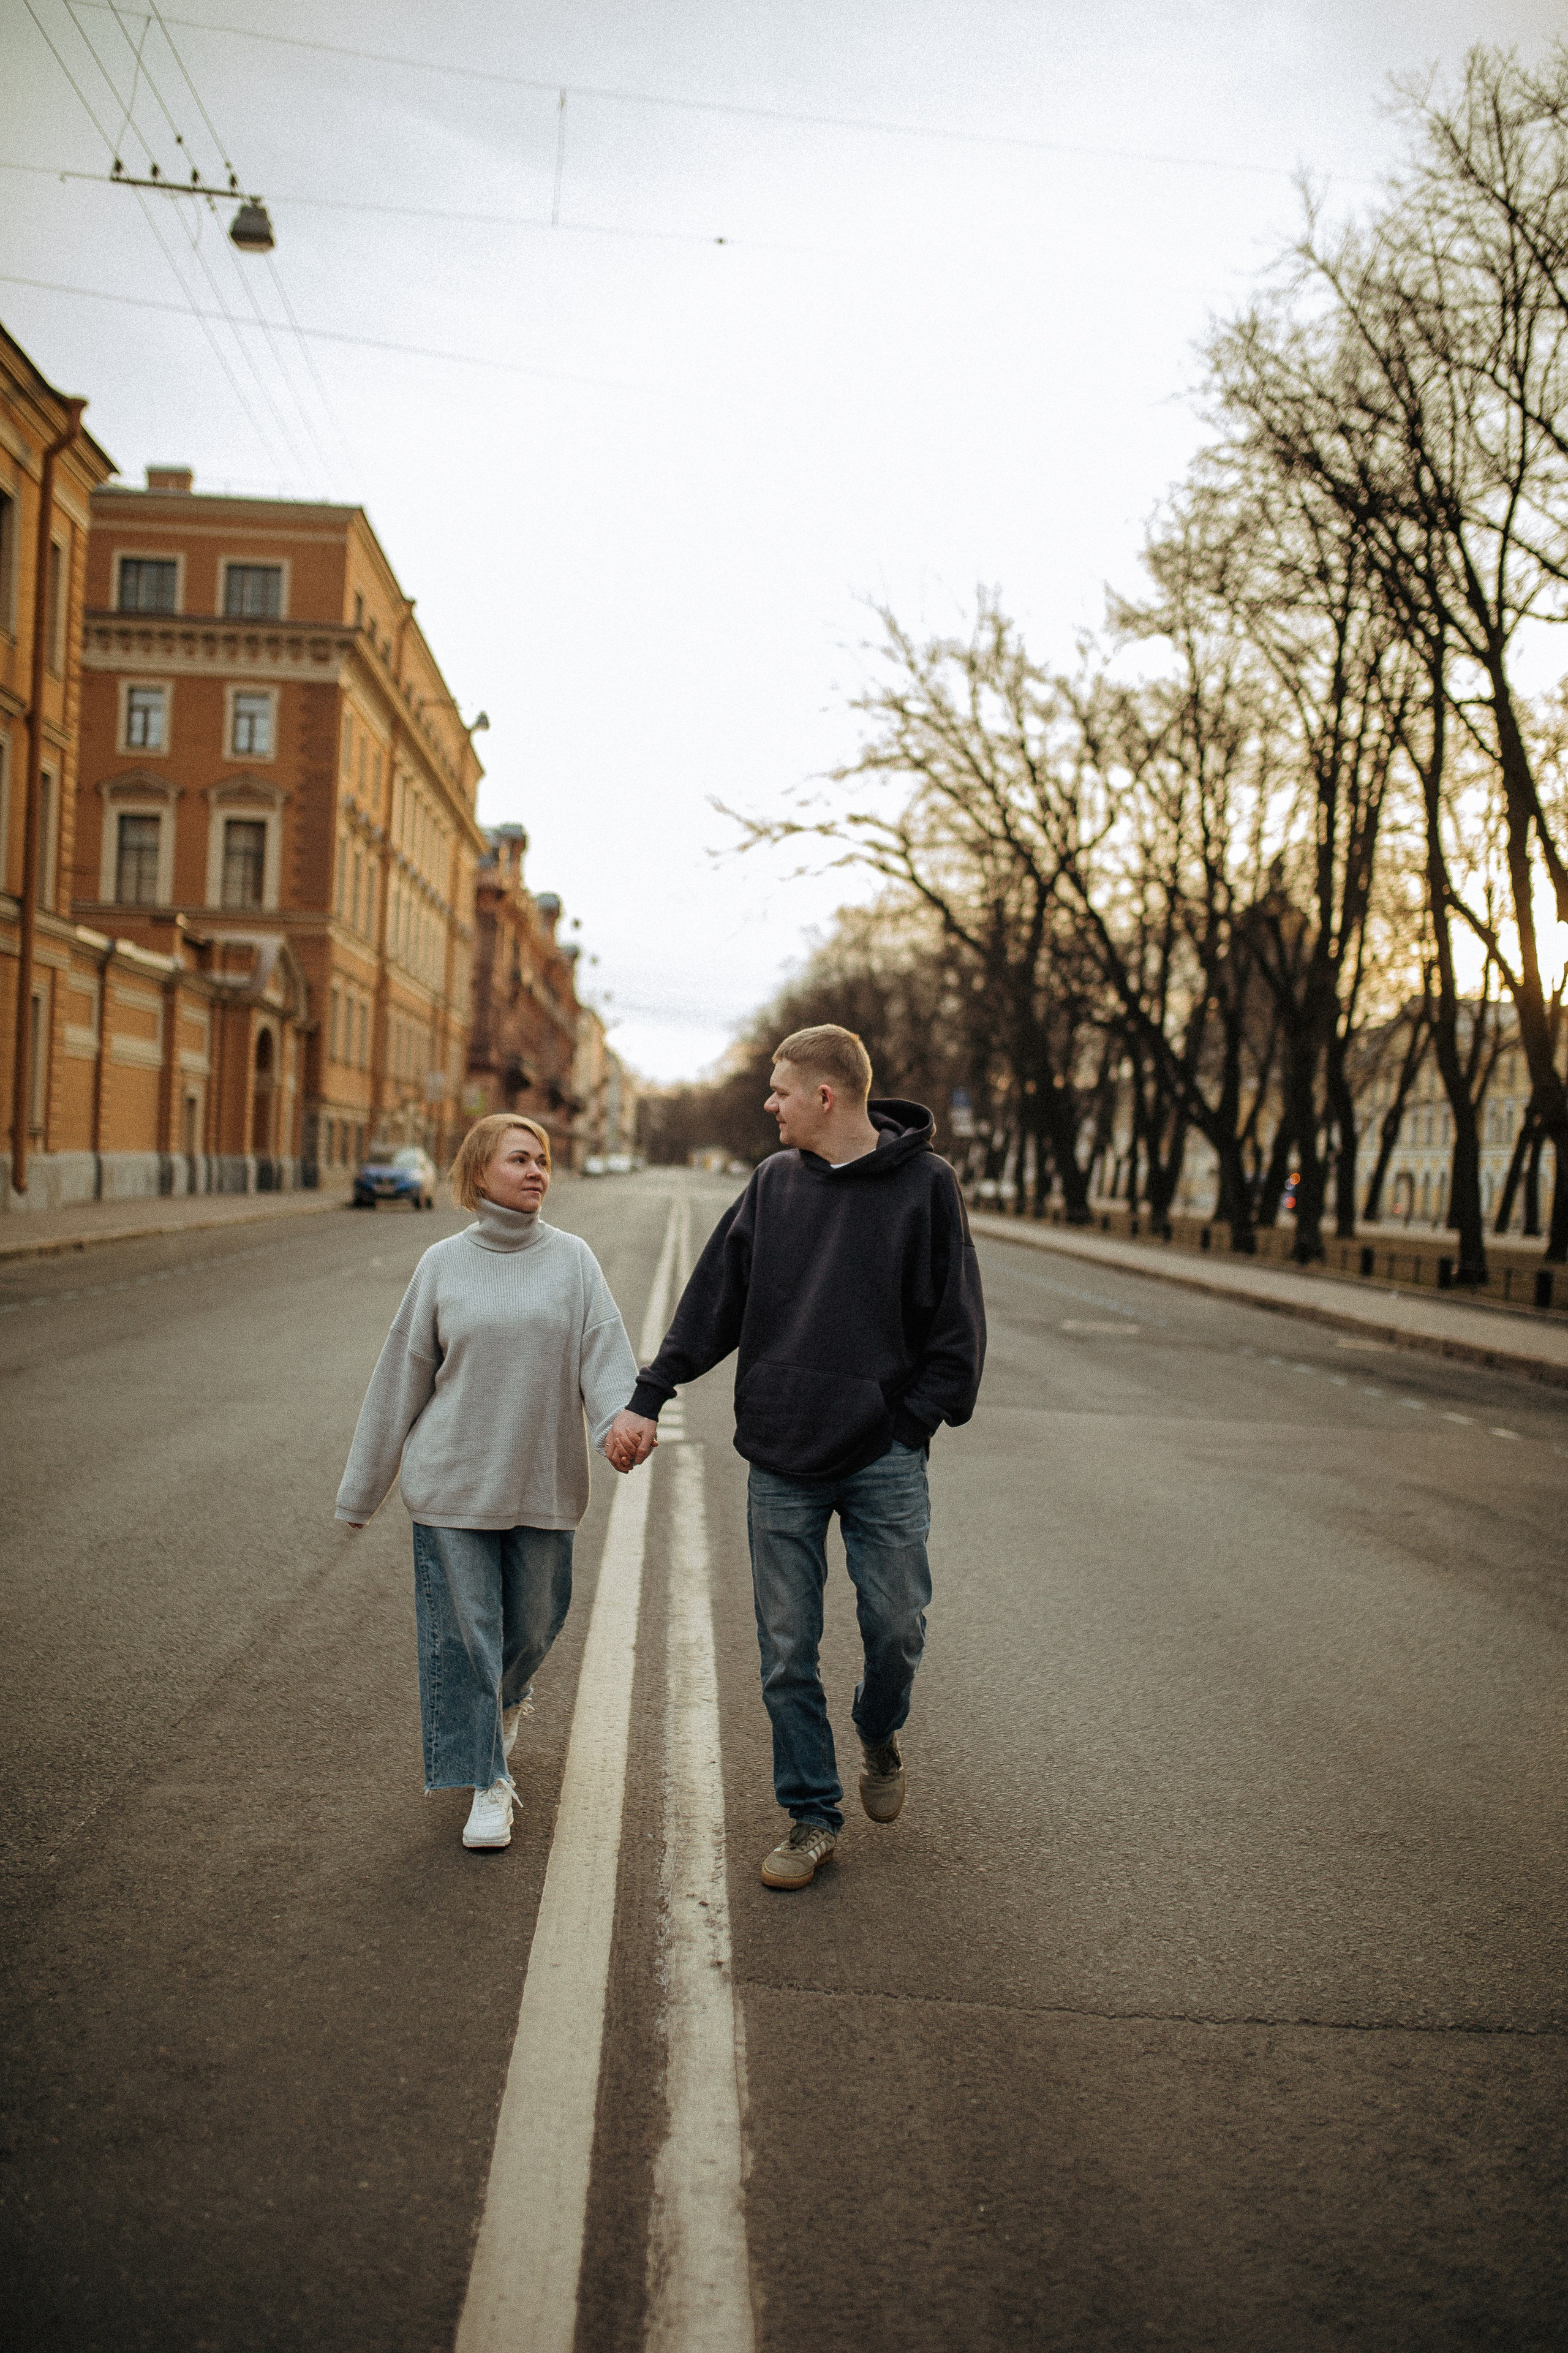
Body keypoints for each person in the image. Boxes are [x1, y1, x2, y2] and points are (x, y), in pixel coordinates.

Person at [609, 1025, 986, 1889]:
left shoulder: (928, 1187)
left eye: (780, 1090)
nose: (768, 1103)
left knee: (895, 1627)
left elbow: (957, 1328)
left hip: (883, 1455)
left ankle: (878, 1729)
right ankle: (811, 1816)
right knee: (787, 1649)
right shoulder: (774, 1184)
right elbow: (714, 1300)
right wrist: (649, 1393)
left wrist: (911, 1423)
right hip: (782, 1451)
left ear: (827, 1096)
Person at [336, 1112, 639, 1852]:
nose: (537, 1170)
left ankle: (505, 1702)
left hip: (542, 1481)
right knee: (465, 1638)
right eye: (519, 1159)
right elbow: (400, 1376)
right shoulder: (443, 1263)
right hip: (452, 1483)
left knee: (532, 1625)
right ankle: (486, 1780)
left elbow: (605, 1356)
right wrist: (362, 1490)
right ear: (479, 1175)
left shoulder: (573, 1260)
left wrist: (617, 1428)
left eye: (542, 1160)